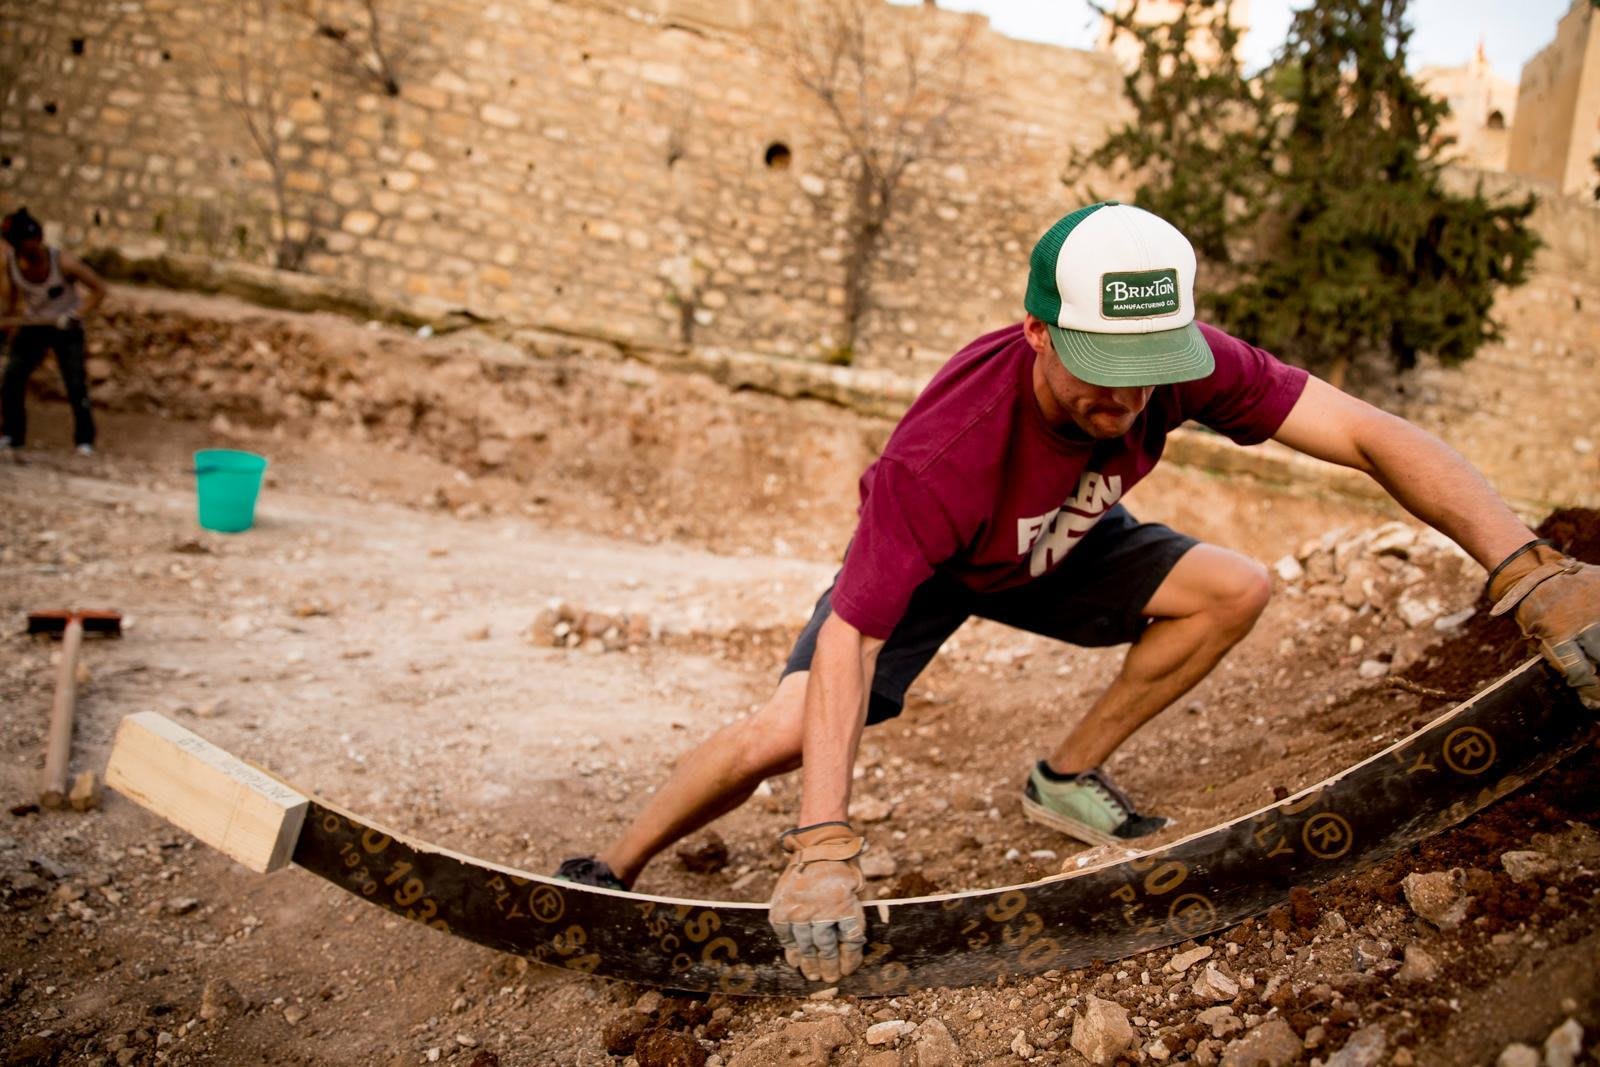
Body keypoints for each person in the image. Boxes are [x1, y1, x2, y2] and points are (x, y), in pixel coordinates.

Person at [555, 201, 1600, 983]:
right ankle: (611, 861)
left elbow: (1371, 431)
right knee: (783, 731)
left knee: (1233, 586)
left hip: (1060, 540)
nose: (1126, 395)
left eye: (1147, 366)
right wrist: (823, 838)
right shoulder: (944, 452)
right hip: (937, 568)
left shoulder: (1175, 364)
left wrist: (1525, 564)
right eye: (1100, 364)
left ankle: (1066, 774)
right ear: (1036, 330)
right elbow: (854, 640)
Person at [0, 207, 108, 457]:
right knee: (12, 379)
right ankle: (12, 434)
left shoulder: (64, 262)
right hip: (35, 327)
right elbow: (10, 301)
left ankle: (84, 440)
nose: (21, 251)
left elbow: (99, 290)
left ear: (37, 239)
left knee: (75, 385)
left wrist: (74, 316)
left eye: (24, 244)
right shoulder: (11, 264)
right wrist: (9, 321)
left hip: (65, 328)